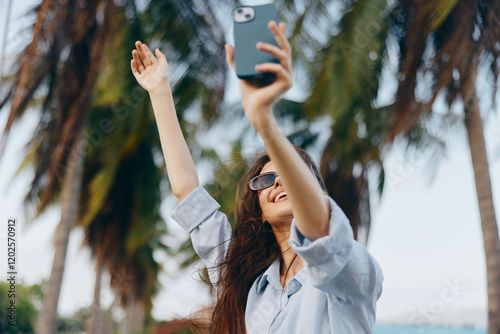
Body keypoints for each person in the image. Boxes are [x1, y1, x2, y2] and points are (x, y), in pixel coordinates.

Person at [131, 20, 383, 334]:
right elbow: (187, 192)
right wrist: (159, 92)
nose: (278, 182)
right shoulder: (241, 276)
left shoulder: (350, 272)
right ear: (260, 212)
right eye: (265, 180)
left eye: (290, 174)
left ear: (317, 192)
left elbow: (322, 235)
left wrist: (264, 121)